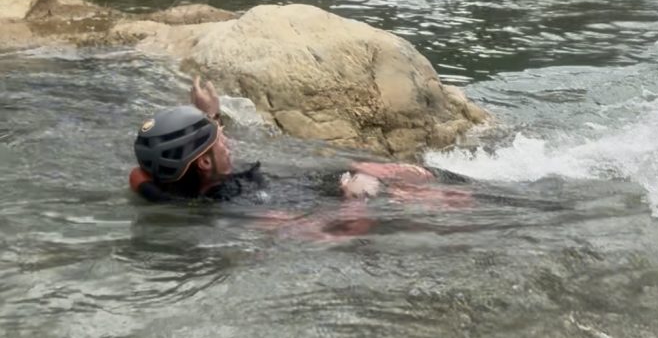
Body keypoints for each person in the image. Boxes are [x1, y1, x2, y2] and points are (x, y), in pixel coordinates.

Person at [129, 77, 472, 209]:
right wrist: (356, 202)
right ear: (204, 163)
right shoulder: (240, 211)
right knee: (445, 198)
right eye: (221, 141)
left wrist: (210, 116)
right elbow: (331, 239)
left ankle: (460, 185)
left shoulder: (180, 183)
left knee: (378, 169)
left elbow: (142, 176)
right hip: (338, 200)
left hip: (319, 186)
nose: (228, 142)